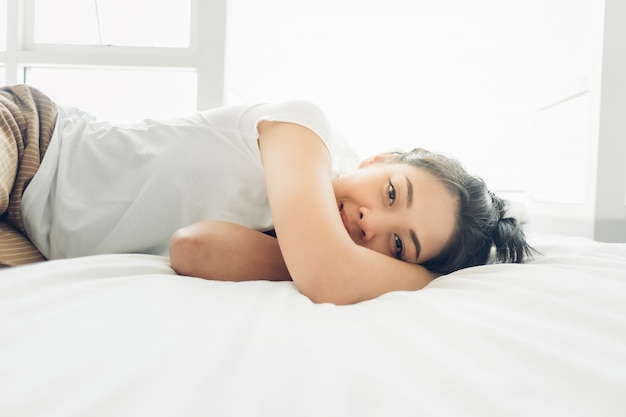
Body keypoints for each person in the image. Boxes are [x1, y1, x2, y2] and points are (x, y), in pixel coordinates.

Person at [1, 84, 532, 304]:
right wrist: (418, 275)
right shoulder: (306, 131)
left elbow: (194, 247)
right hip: (35, 142)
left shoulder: (297, 246)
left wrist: (314, 255)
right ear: (378, 159)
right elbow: (329, 273)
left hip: (36, 247)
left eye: (398, 245)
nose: (373, 222)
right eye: (393, 193)